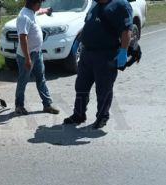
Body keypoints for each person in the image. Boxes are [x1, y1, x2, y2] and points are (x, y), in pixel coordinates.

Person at [63, 0, 133, 129]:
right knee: (81, 86)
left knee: (103, 89)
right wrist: (80, 38)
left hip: (105, 55)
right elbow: (88, 23)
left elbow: (126, 29)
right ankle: (79, 115)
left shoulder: (120, 5)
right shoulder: (96, 6)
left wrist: (123, 51)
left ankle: (102, 117)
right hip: (87, 54)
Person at [15, 0, 59, 116]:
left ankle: (47, 105)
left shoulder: (31, 12)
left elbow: (39, 11)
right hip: (27, 55)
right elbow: (23, 38)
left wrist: (46, 11)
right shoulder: (23, 17)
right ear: (33, 3)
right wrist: (27, 59)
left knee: (41, 78)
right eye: (39, 3)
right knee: (23, 81)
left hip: (37, 53)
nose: (40, 6)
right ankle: (19, 106)